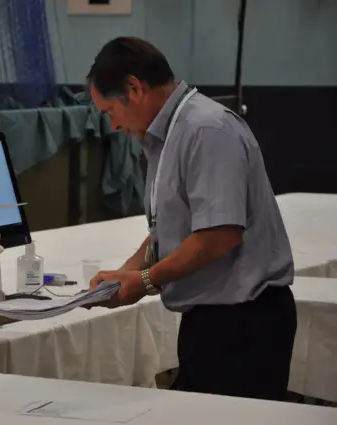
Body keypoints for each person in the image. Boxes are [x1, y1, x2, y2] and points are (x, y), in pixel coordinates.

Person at [87, 36, 297, 401]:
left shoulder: (205, 129)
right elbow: (167, 229)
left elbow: (219, 234)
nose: (112, 125)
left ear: (134, 88)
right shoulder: (166, 137)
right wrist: (126, 275)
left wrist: (147, 279)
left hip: (245, 325)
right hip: (210, 321)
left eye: (109, 112)